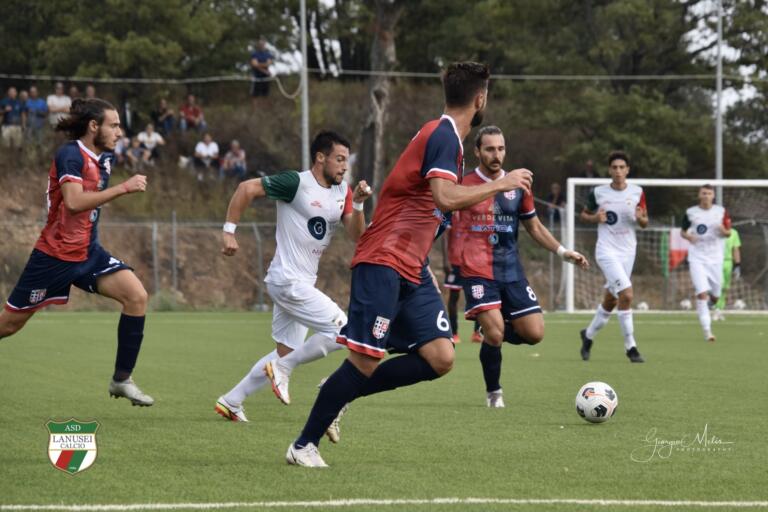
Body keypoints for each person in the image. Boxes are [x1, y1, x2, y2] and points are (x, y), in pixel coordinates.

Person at [285, 61, 534, 468]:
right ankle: (302, 445)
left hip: (411, 267)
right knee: (366, 360)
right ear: (480, 98)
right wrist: (502, 183)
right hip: (384, 260)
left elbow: (428, 210)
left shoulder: (447, 141)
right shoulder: (442, 135)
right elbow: (444, 199)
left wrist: (425, 258)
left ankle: (342, 390)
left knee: (441, 356)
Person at [214, 131, 372, 434]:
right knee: (343, 329)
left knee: (286, 352)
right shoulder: (295, 182)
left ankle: (231, 401)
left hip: (301, 282)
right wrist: (229, 230)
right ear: (320, 157)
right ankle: (282, 371)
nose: (343, 167)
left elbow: (357, 236)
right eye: (339, 159)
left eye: (346, 162)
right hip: (287, 280)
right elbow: (246, 188)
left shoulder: (344, 191)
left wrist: (361, 204)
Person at [0, 98, 154, 406]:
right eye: (114, 125)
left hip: (88, 253)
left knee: (136, 296)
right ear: (93, 126)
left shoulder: (103, 158)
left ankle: (121, 380)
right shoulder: (70, 155)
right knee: (9, 325)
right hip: (53, 257)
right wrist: (124, 188)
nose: (120, 132)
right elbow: (73, 202)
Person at [457, 126, 588, 407]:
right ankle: (494, 393)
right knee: (494, 333)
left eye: (501, 149)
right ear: (477, 151)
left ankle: (491, 326)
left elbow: (534, 226)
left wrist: (564, 251)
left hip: (510, 270)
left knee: (534, 333)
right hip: (476, 270)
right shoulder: (463, 184)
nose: (496, 154)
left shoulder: (519, 185)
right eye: (490, 149)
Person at [579, 151, 648, 363]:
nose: (618, 171)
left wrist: (640, 218)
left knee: (611, 300)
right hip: (606, 251)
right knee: (626, 295)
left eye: (622, 167)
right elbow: (583, 215)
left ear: (627, 170)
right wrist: (594, 217)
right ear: (610, 170)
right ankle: (631, 347)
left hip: (628, 251)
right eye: (614, 167)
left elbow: (645, 221)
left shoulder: (637, 192)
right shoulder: (599, 192)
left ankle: (588, 336)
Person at [680, 185, 731, 342]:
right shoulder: (691, 212)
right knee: (701, 293)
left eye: (709, 193)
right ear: (699, 195)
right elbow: (683, 231)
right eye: (703, 193)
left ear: (713, 196)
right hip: (697, 258)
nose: (706, 196)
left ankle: (710, 304)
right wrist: (689, 237)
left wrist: (723, 231)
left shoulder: (721, 212)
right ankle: (707, 331)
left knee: (715, 295)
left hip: (715, 258)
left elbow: (729, 232)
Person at [714, 228, 742, 317]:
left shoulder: (734, 233)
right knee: (717, 285)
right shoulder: (715, 231)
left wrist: (737, 265)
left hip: (728, 262)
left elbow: (736, 249)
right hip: (715, 261)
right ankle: (713, 305)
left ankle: (719, 309)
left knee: (724, 288)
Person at [250, 37, 274, 103]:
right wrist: (264, 68)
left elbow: (268, 63)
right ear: (258, 45)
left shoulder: (268, 54)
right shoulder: (254, 54)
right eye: (260, 44)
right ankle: (256, 111)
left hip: (266, 77)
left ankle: (264, 110)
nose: (261, 45)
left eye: (263, 43)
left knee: (265, 94)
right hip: (256, 76)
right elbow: (254, 64)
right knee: (255, 94)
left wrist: (259, 64)